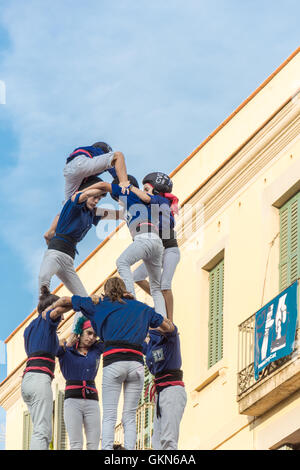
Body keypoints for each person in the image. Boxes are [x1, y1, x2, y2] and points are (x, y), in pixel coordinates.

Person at [42, 277, 175, 450]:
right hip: (136, 364)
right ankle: (129, 449)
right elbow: (167, 326)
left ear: (107, 290)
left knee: (110, 415)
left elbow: (66, 301)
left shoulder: (99, 304)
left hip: (114, 363)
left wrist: (50, 309)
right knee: (129, 415)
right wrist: (165, 330)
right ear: (125, 290)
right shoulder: (142, 308)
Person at [75, 175, 167, 317]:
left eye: (117, 197)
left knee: (122, 262)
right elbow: (108, 213)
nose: (118, 201)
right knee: (155, 287)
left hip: (144, 238)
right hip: (156, 244)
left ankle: (131, 300)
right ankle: (163, 319)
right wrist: (87, 209)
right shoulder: (130, 208)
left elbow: (107, 184)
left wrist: (80, 196)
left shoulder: (130, 196)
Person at [44, 141, 129, 244]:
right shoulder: (97, 152)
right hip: (80, 164)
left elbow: (101, 213)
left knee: (68, 205)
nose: (96, 201)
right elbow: (113, 164)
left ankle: (50, 232)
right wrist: (121, 183)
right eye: (95, 198)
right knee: (117, 156)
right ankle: (125, 184)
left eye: (98, 199)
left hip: (70, 172)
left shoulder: (87, 208)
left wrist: (122, 215)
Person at [21, 286, 67, 450]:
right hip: (40, 380)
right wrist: (77, 303)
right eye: (61, 314)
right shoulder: (46, 320)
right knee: (43, 432)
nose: (62, 318)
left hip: (28, 381)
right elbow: (56, 310)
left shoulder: (30, 329)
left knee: (39, 430)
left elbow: (56, 350)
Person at [133, 172, 180, 321]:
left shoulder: (160, 200)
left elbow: (146, 198)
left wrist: (130, 187)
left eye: (146, 188)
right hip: (157, 252)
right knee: (137, 277)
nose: (144, 191)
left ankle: (170, 320)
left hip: (169, 250)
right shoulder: (151, 208)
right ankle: (160, 302)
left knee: (165, 284)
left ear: (155, 190)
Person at [57, 319, 104, 450]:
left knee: (93, 444)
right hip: (72, 401)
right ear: (80, 332)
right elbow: (55, 349)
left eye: (95, 335)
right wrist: (67, 340)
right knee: (76, 444)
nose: (91, 338)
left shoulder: (97, 350)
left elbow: (108, 335)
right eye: (88, 333)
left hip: (92, 401)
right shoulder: (66, 350)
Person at [143, 325, 186, 450]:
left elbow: (171, 329)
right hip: (160, 393)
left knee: (168, 440)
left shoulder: (169, 339)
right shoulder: (151, 344)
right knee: (157, 441)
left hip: (172, 390)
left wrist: (157, 324)